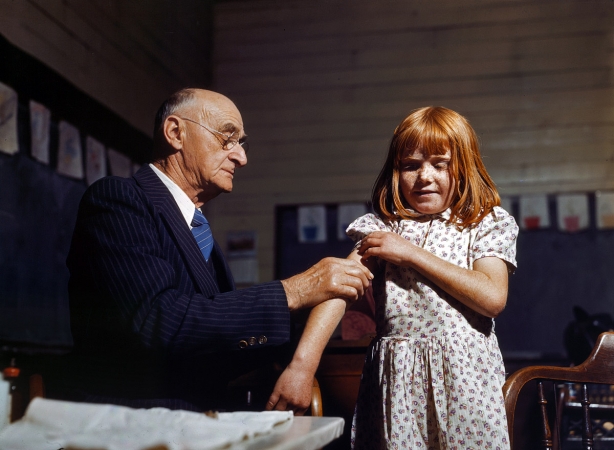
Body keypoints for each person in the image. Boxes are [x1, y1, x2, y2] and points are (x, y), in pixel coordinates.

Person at [63, 88, 372, 413]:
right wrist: (295, 291)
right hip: (133, 427)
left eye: (241, 143)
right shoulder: (119, 200)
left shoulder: (198, 230)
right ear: (175, 133)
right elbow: (156, 320)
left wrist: (309, 323)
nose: (241, 157)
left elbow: (215, 340)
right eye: (227, 139)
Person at [269, 106, 518, 449]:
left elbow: (491, 298)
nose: (424, 176)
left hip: (465, 380)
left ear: (465, 167)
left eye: (440, 164)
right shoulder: (383, 229)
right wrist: (300, 368)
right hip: (397, 379)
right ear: (395, 172)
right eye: (411, 165)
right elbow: (338, 294)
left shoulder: (484, 223)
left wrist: (411, 254)